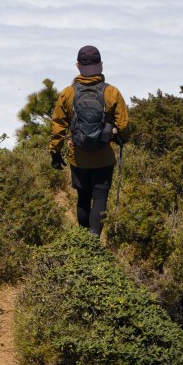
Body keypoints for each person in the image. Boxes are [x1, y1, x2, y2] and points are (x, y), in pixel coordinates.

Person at [49, 45, 129, 236]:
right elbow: (124, 125)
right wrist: (118, 137)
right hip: (103, 157)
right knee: (100, 197)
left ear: (77, 66)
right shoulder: (111, 92)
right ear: (101, 65)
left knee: (83, 197)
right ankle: (94, 239)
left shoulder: (68, 93)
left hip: (78, 157)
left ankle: (83, 241)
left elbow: (58, 125)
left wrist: (55, 152)